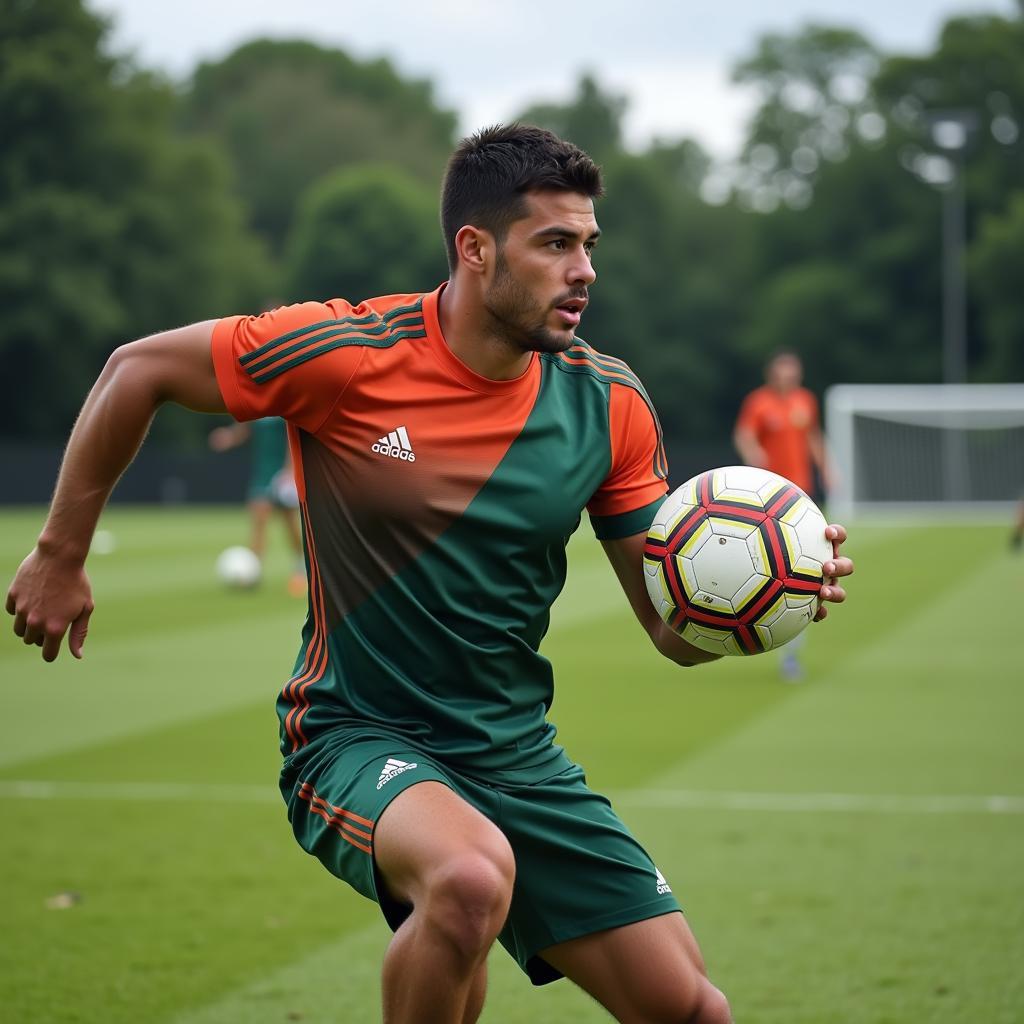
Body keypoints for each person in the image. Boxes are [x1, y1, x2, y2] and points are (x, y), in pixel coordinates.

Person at [6, 124, 853, 1024]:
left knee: (693, 1012)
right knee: (467, 878)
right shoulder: (346, 351)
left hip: (514, 756)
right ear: (475, 249)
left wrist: (766, 602)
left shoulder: (609, 404)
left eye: (590, 245)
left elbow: (667, 633)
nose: (585, 270)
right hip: (356, 733)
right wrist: (61, 552)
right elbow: (136, 369)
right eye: (556, 243)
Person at [733, 350, 833, 681]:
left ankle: (790, 652)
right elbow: (744, 433)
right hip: (768, 499)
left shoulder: (805, 401)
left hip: (801, 502)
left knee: (803, 576)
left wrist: (827, 468)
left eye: (792, 374)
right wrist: (753, 453)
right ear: (772, 374)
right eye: (782, 373)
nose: (787, 379)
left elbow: (814, 437)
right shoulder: (759, 403)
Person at [208, 416, 306, 594]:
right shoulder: (257, 404)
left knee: (289, 521)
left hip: (283, 472)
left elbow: (295, 436)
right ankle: (254, 570)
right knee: (259, 518)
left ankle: (301, 566)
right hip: (263, 471)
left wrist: (290, 469)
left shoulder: (283, 406)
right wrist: (229, 437)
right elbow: (244, 428)